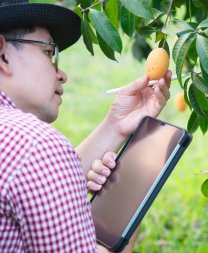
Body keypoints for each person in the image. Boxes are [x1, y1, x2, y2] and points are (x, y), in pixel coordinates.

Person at [0, 0, 171, 252]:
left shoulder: (22, 150)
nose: (62, 74)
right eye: (48, 52)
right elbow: (37, 161)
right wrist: (133, 188)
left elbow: (37, 185)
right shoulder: (35, 145)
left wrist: (116, 125)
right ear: (2, 54)